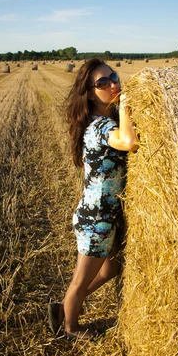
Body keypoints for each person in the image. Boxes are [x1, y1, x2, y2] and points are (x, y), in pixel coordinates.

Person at [48, 57, 138, 340]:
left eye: (113, 76)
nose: (113, 84)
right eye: (102, 82)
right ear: (89, 92)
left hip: (106, 215)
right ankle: (70, 327)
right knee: (80, 280)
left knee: (112, 268)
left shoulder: (107, 121)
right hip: (96, 218)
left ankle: (63, 307)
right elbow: (129, 143)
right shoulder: (98, 126)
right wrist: (125, 106)